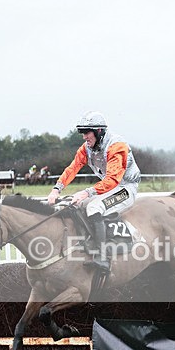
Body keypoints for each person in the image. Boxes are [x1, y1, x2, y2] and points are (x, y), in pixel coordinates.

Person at [47, 111, 141, 272]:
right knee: (74, 204)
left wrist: (87, 192)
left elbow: (113, 180)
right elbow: (72, 168)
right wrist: (56, 189)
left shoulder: (116, 146)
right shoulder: (87, 148)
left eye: (87, 132)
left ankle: (103, 258)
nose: (84, 136)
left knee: (93, 207)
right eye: (82, 132)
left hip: (125, 187)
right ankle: (88, 244)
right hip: (109, 186)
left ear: (99, 131)